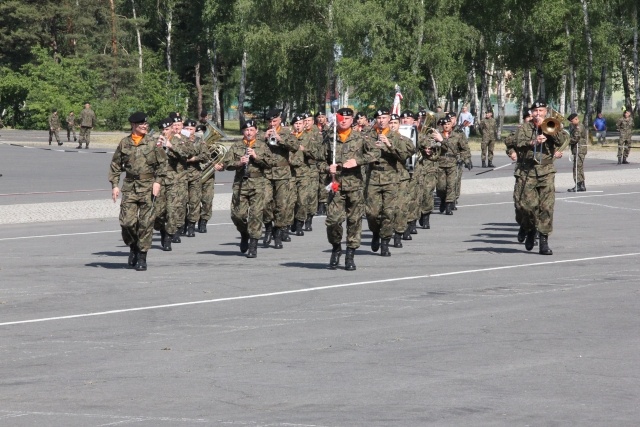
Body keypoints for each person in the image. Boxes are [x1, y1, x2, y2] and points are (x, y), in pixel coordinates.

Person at [108, 112, 167, 271]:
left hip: (148, 187)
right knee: (127, 222)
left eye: (146, 124)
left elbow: (163, 165)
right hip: (130, 187)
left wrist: (157, 182)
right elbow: (115, 166)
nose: (145, 126)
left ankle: (142, 256)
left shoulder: (153, 143)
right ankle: (133, 245)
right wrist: (115, 184)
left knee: (146, 223)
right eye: (142, 124)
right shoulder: (124, 143)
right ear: (134, 125)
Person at [514, 100, 567, 255]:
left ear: (546, 112)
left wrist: (551, 131)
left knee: (546, 208)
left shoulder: (552, 125)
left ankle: (544, 241)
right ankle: (529, 229)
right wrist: (533, 141)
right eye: (535, 110)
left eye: (541, 110)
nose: (538, 113)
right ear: (531, 113)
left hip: (546, 171)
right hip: (528, 171)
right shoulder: (525, 127)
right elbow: (518, 143)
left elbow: (563, 141)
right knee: (526, 207)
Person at [215, 120, 270, 258]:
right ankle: (244, 233)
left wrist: (256, 157)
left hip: (258, 183)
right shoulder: (236, 146)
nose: (249, 132)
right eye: (246, 130)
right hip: (241, 183)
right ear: (243, 132)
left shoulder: (262, 146)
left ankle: (253, 244)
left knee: (256, 215)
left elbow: (271, 163)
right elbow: (226, 163)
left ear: (256, 131)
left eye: (252, 130)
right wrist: (239, 163)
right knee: (237, 215)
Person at [324, 108, 371, 270]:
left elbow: (375, 154)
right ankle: (336, 247)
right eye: (340, 118)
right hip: (336, 184)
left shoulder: (360, 137)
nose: (343, 121)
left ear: (353, 120)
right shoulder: (329, 138)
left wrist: (357, 161)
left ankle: (350, 254)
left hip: (355, 185)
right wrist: (326, 168)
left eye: (347, 118)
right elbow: (317, 159)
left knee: (354, 221)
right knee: (333, 221)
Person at [364, 107, 414, 257]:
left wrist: (389, 145)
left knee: (388, 212)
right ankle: (375, 232)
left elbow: (405, 155)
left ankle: (385, 242)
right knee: (371, 213)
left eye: (384, 118)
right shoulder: (367, 136)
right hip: (373, 177)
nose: (381, 121)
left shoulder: (398, 138)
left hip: (391, 179)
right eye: (379, 118)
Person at [262, 108, 298, 249]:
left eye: (275, 121)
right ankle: (268, 227)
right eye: (270, 121)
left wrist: (280, 140)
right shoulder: (261, 134)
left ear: (280, 120)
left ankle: (278, 232)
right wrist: (263, 138)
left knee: (282, 205)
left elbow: (295, 147)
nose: (272, 123)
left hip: (283, 173)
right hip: (266, 172)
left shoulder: (287, 132)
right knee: (264, 202)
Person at [436, 117, 471, 215]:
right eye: (445, 124)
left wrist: (466, 159)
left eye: (448, 124)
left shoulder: (457, 135)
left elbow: (464, 148)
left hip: (453, 163)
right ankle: (442, 199)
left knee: (451, 184)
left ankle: (448, 205)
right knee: (441, 186)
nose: (446, 126)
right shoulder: (438, 135)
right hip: (440, 163)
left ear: (452, 125)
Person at [567, 113, 588, 192]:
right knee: (579, 168)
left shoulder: (579, 127)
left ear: (576, 119)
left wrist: (567, 141)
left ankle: (579, 185)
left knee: (577, 168)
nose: (571, 123)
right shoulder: (576, 126)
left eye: (572, 121)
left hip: (580, 150)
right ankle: (581, 185)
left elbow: (575, 138)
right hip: (578, 150)